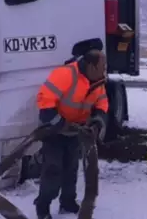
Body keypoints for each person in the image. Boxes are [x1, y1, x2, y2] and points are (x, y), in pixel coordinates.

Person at [34, 48, 108, 219]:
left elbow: (102, 104)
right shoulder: (65, 74)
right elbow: (45, 101)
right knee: (53, 170)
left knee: (71, 168)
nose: (104, 71)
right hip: (53, 131)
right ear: (91, 66)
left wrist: (97, 122)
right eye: (102, 67)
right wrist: (60, 123)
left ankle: (67, 202)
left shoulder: (98, 82)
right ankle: (43, 206)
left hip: (75, 131)